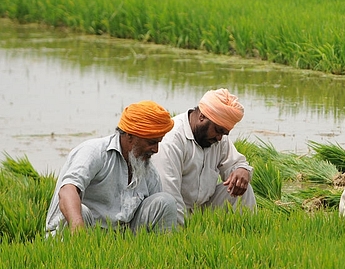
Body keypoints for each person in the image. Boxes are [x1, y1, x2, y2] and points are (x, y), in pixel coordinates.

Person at [45, 101, 178, 235]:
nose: (155, 149)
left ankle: (163, 251)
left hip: (119, 240)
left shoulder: (149, 171)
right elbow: (67, 191)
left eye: (158, 142)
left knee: (165, 202)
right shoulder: (94, 152)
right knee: (81, 211)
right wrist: (79, 230)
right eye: (151, 142)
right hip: (82, 233)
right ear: (130, 136)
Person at [151, 88, 256, 226]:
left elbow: (235, 164)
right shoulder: (172, 140)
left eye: (224, 133)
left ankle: (249, 232)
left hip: (201, 209)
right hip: (171, 212)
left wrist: (242, 170)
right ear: (202, 116)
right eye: (218, 131)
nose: (220, 138)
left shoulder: (217, 138)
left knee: (242, 187)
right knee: (169, 202)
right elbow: (170, 196)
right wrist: (187, 236)